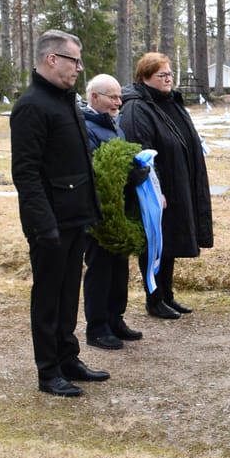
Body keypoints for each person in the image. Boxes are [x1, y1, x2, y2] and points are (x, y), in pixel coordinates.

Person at [10, 30, 110, 397]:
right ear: (52, 59)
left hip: (73, 216)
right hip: (50, 222)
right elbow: (25, 172)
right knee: (49, 296)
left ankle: (68, 358)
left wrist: (90, 209)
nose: (79, 69)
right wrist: (44, 224)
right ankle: (48, 370)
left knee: (68, 294)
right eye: (74, 61)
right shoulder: (32, 106)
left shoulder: (64, 101)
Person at [118, 52, 213, 319]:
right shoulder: (137, 108)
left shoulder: (168, 102)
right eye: (162, 75)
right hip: (156, 190)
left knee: (170, 241)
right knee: (155, 243)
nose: (168, 79)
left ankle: (167, 295)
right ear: (144, 77)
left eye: (170, 74)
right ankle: (154, 298)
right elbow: (141, 151)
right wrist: (156, 190)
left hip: (176, 183)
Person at [82, 74, 144, 351]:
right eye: (113, 97)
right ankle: (97, 328)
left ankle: (115, 319)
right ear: (95, 97)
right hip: (99, 212)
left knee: (119, 267)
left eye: (120, 97)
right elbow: (97, 170)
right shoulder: (86, 128)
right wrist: (128, 176)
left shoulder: (114, 125)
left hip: (119, 209)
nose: (119, 102)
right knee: (100, 269)